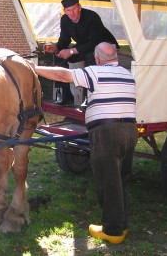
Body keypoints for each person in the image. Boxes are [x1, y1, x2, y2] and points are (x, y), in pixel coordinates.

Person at [29, 42, 137, 244]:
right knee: (122, 179)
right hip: (129, 130)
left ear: (97, 58)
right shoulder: (127, 74)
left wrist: (33, 68)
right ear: (115, 56)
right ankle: (120, 225)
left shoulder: (95, 72)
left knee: (108, 179)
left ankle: (112, 232)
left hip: (107, 132)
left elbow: (63, 75)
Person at [45, 0, 119, 105]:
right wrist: (56, 48)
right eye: (68, 10)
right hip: (84, 46)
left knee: (90, 57)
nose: (72, 13)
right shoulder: (65, 19)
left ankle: (87, 97)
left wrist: (71, 51)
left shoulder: (92, 17)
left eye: (74, 9)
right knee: (60, 59)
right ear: (65, 11)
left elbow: (94, 41)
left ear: (79, 7)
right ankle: (66, 96)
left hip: (103, 45)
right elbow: (64, 40)